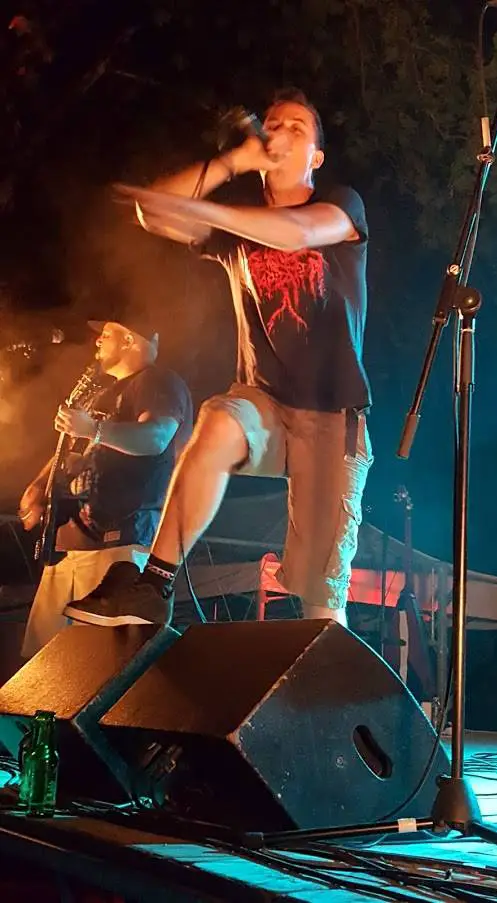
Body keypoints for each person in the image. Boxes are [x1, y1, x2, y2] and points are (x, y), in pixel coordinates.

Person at [64, 88, 373, 631]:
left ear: (317, 157)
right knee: (218, 421)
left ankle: (326, 668)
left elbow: (297, 233)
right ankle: (154, 585)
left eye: (297, 128)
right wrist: (232, 162)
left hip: (332, 413)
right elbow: (153, 212)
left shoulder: (342, 206)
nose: (280, 133)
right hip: (264, 400)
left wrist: (209, 211)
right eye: (273, 124)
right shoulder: (237, 229)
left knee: (319, 600)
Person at [20, 316, 192, 656]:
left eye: (107, 333)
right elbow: (77, 452)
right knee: (44, 662)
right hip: (73, 543)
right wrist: (40, 485)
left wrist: (93, 430)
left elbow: (156, 438)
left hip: (122, 544)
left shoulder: (157, 381)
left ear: (129, 339)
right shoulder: (105, 394)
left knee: (102, 660)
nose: (98, 341)